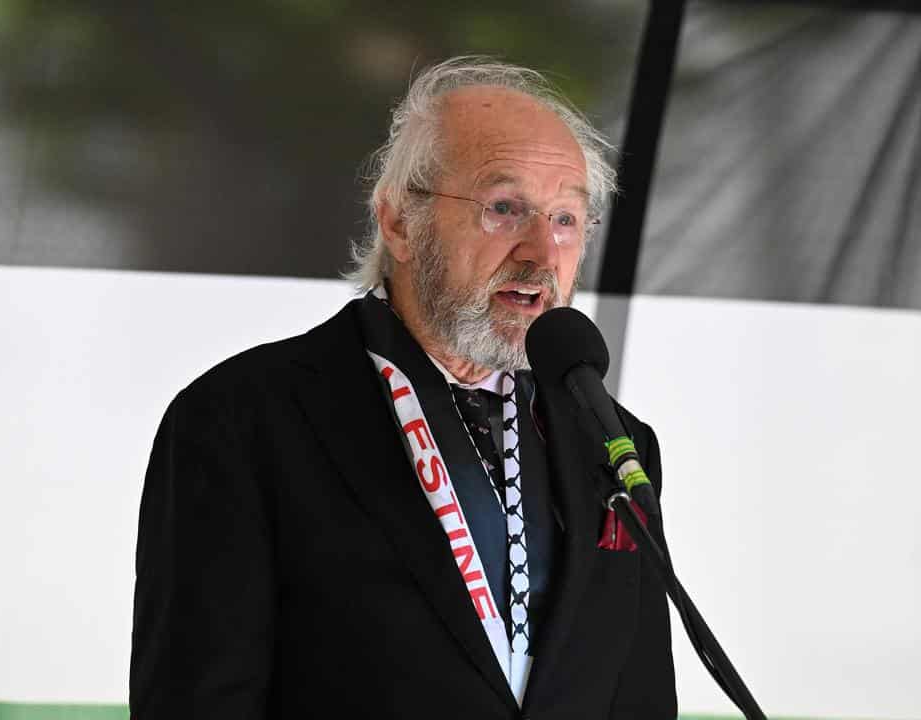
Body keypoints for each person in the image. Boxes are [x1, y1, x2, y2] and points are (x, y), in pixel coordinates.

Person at [129, 57, 677, 719]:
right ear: (398, 222)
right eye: (504, 208)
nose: (541, 251)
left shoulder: (614, 442)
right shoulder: (240, 421)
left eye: (566, 219)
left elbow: (642, 699)